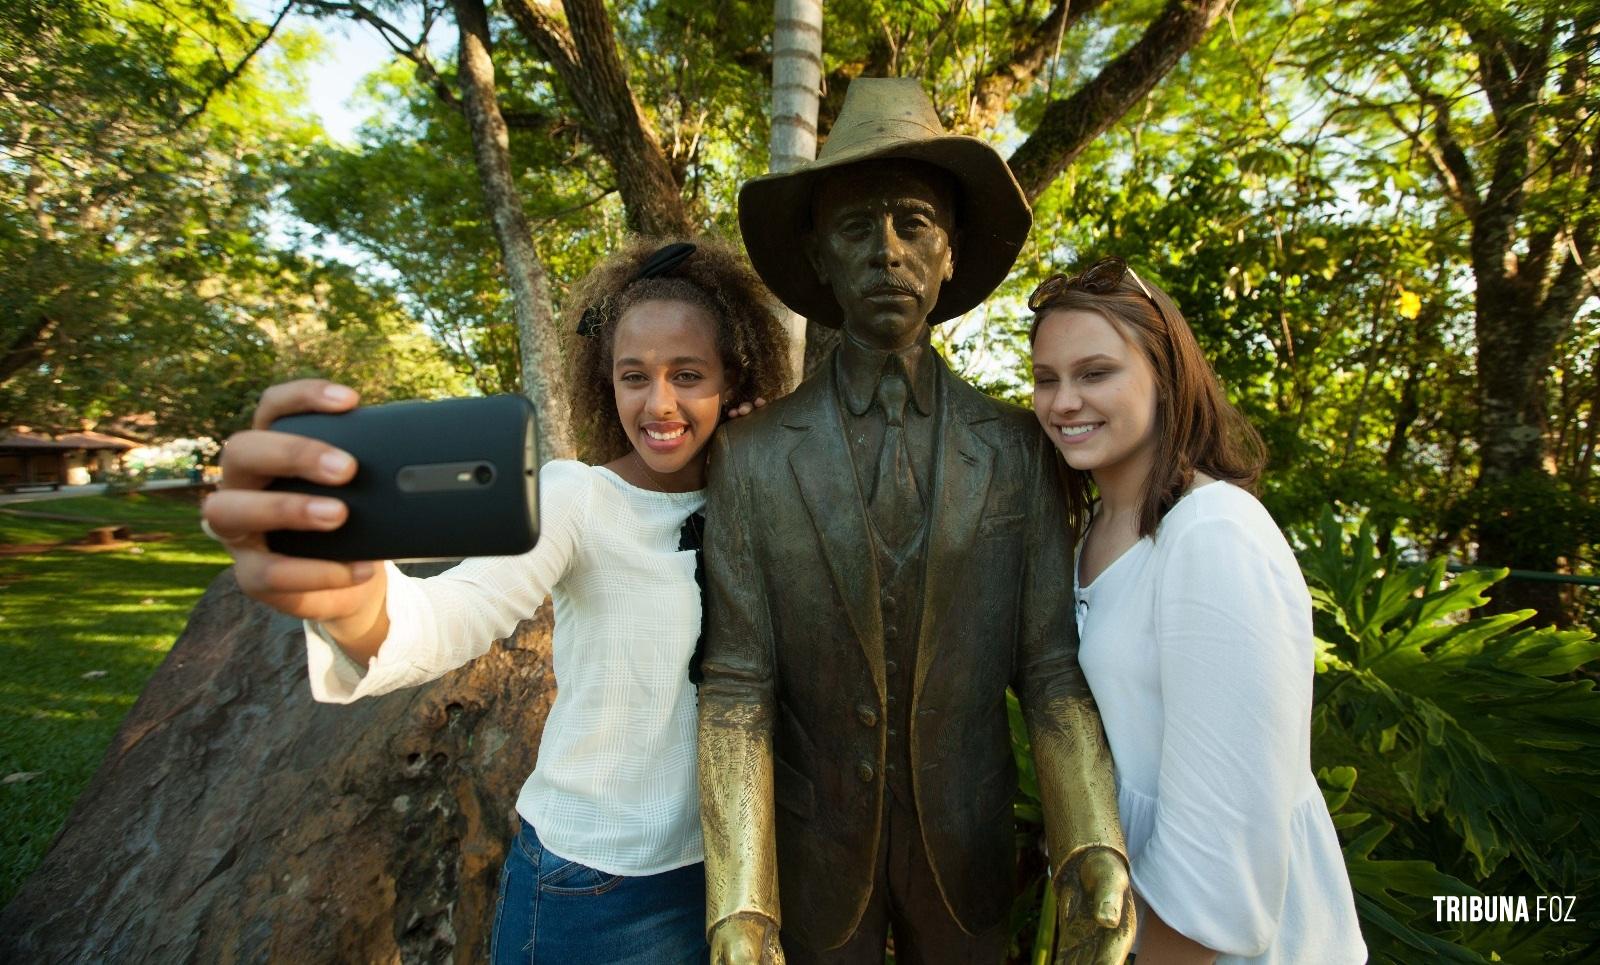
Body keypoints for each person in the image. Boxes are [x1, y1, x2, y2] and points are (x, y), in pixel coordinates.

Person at [200, 236, 791, 965]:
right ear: (604, 380)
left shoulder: (759, 498)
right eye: (633, 375)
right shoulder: (579, 497)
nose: (658, 401)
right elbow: (454, 614)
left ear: (732, 380)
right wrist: (355, 602)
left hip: (727, 877)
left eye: (688, 374)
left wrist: (766, 463)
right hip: (588, 887)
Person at [696, 77, 1131, 965]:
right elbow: (738, 684)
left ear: (950, 251)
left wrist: (1090, 840)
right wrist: (741, 902)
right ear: (818, 256)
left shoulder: (1016, 449)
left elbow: (1048, 668)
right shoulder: (753, 456)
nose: (886, 251)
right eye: (856, 228)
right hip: (814, 862)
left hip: (968, 852)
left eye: (913, 224)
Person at [1028, 256, 1366, 965]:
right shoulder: (1093, 527)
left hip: (1211, 943)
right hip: (1131, 910)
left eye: (1094, 373)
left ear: (1165, 374)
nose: (1063, 402)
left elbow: (1221, 852)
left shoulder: (1213, 534)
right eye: (1046, 379)